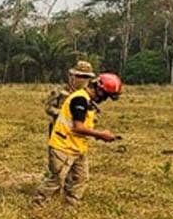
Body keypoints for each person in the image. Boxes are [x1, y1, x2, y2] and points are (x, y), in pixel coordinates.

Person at [34, 72, 124, 206]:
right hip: (63, 145)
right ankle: (38, 203)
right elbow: (78, 127)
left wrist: (97, 135)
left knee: (80, 178)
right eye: (106, 96)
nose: (105, 100)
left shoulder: (88, 101)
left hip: (77, 146)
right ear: (98, 89)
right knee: (56, 179)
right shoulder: (79, 100)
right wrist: (100, 135)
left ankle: (71, 205)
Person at [44, 61, 96, 133]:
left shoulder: (88, 95)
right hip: (58, 130)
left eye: (86, 77)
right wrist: (63, 113)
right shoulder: (59, 91)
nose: (82, 79)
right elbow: (48, 107)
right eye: (79, 76)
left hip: (77, 133)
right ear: (73, 76)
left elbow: (93, 112)